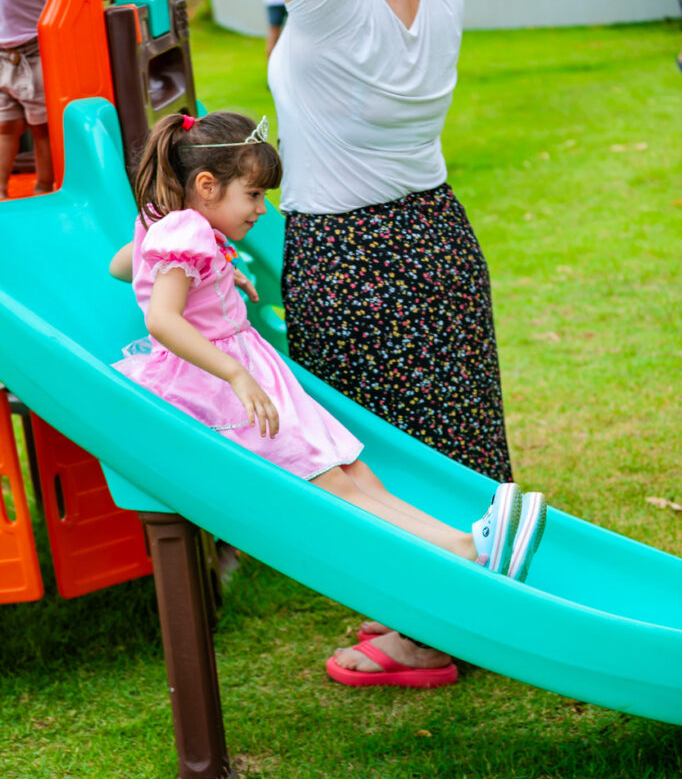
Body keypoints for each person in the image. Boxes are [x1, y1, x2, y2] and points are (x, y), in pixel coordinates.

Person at [109, 110, 547, 687]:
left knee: (355, 475)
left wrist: (211, 276)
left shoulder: (173, 225)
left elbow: (123, 265)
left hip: (244, 372)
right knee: (337, 486)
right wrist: (234, 373)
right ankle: (469, 553)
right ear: (207, 186)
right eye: (253, 195)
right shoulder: (185, 232)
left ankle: (468, 544)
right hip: (223, 388)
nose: (261, 209)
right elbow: (162, 319)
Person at [265, 0, 515, 674]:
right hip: (437, 239)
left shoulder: (331, 1)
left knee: (377, 455)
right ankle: (466, 605)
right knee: (454, 437)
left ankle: (424, 635)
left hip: (351, 259)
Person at [0, 0, 53, 198]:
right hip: (1, 54)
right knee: (4, 126)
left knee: (42, 129)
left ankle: (45, 188)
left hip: (34, 50)